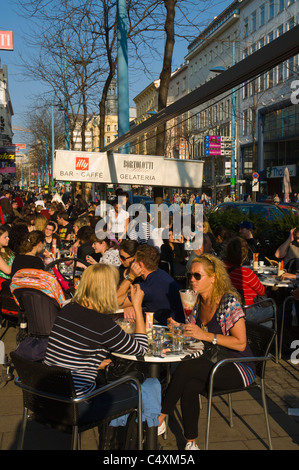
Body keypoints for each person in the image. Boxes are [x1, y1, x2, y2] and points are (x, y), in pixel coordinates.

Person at [158, 254, 256, 450]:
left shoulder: (228, 303)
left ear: (213, 278)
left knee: (187, 368)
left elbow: (240, 343)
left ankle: (160, 416)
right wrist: (179, 327)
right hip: (211, 361)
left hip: (238, 366)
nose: (192, 279)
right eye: (190, 275)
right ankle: (191, 442)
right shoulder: (197, 301)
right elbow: (195, 333)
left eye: (197, 275)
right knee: (190, 384)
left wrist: (206, 335)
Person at [44, 264, 148, 424]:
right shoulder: (102, 324)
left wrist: (93, 363)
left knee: (112, 379)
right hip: (78, 404)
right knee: (145, 388)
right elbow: (141, 349)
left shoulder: (67, 309)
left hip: (49, 396)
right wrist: (137, 307)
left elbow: (71, 350)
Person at [117, 244, 185, 325]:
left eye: (134, 261)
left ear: (140, 265)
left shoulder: (148, 287)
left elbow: (114, 301)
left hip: (171, 330)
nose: (132, 264)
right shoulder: (159, 274)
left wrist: (130, 276)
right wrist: (128, 304)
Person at [225, 237, 273, 327]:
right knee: (276, 309)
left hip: (227, 310)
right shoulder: (246, 273)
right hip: (246, 311)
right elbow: (261, 291)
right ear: (244, 256)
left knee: (268, 323)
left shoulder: (221, 268)